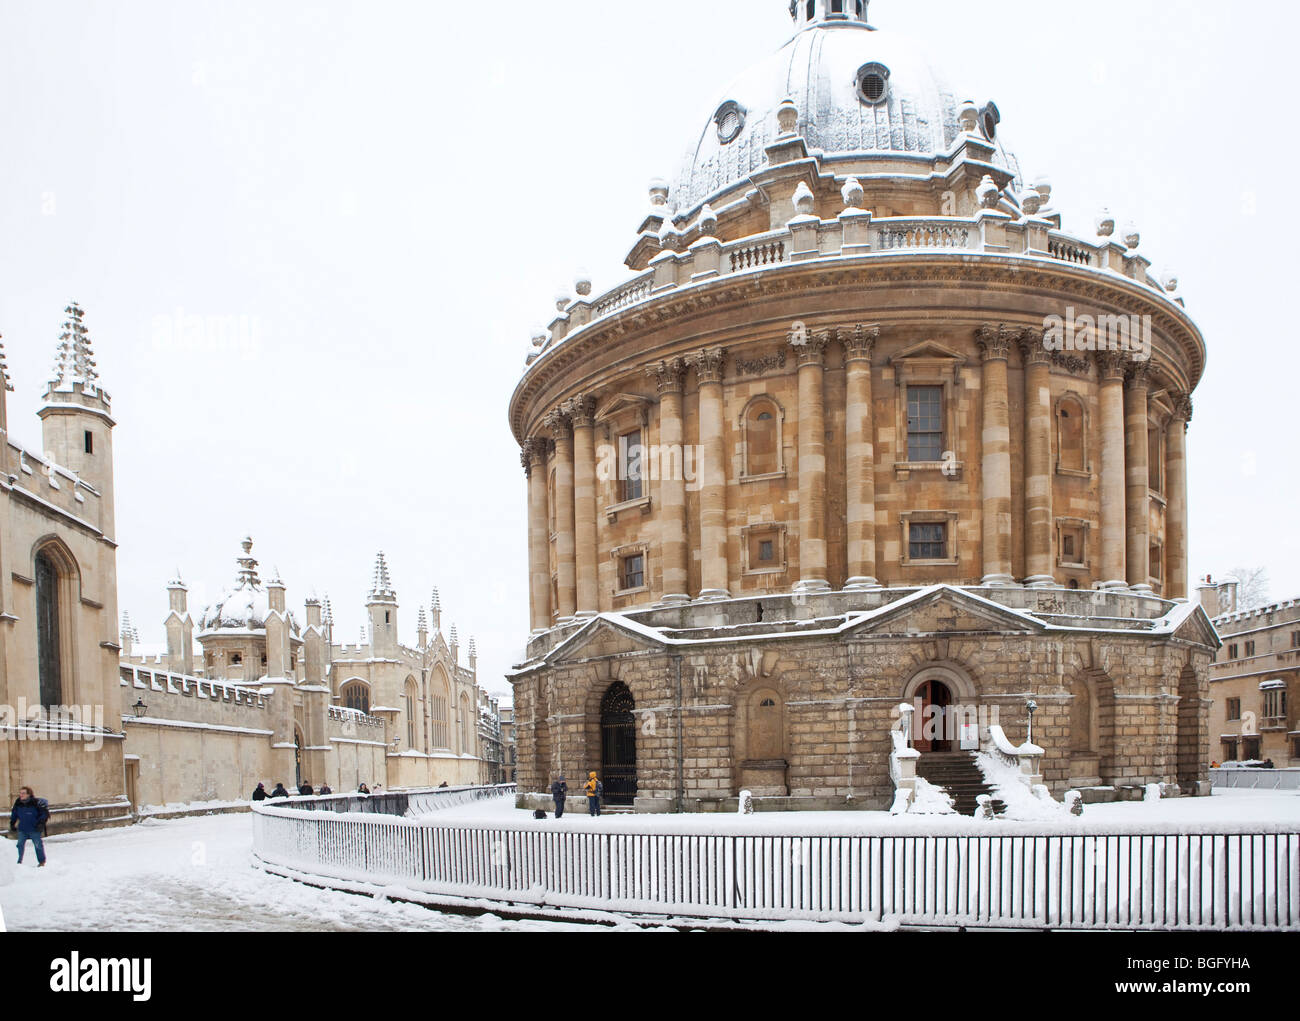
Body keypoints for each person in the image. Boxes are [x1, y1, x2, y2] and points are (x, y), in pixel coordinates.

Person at [9, 787, 49, 867]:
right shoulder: (18, 803)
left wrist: (41, 823)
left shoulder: (36, 803)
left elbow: (44, 814)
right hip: (22, 829)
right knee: (19, 845)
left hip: (34, 829)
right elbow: (14, 814)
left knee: (38, 845)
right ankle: (18, 862)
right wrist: (12, 823)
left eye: (23, 793)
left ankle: (41, 862)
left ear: (29, 794)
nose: (21, 795)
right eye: (20, 793)